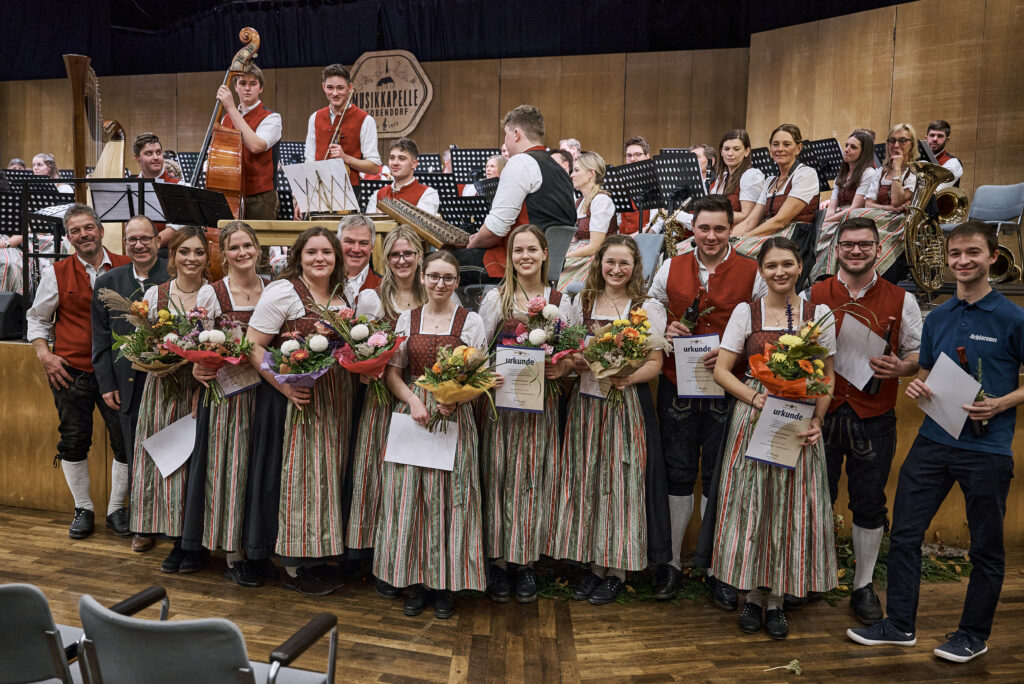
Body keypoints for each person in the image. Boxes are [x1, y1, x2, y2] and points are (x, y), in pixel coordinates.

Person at [848, 221, 1024, 663]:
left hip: (987, 449)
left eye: (973, 253)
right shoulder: (940, 316)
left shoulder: (1013, 317)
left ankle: (972, 634)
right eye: (956, 254)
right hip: (933, 440)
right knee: (905, 536)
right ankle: (900, 624)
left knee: (985, 547)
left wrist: (1001, 404)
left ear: (992, 257)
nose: (963, 261)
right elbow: (926, 371)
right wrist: (918, 387)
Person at [711, 237, 837, 640]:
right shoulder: (745, 312)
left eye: (787, 264)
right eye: (771, 266)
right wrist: (755, 398)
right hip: (755, 417)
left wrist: (818, 419)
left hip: (799, 423)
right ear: (761, 271)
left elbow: (828, 376)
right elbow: (723, 371)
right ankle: (749, 595)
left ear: (800, 266)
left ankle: (778, 599)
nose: (779, 272)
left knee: (789, 508)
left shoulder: (819, 314)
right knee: (751, 504)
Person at [646, 194, 765, 603]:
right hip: (678, 382)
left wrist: (738, 349)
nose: (711, 236)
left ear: (731, 229)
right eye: (704, 228)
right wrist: (667, 328)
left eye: (719, 228)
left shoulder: (753, 271)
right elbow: (651, 305)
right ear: (691, 230)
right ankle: (673, 565)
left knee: (718, 476)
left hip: (727, 386)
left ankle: (717, 566)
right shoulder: (670, 265)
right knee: (678, 472)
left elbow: (767, 321)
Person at [807, 217, 921, 625]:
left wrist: (901, 367)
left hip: (874, 417)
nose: (857, 251)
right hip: (819, 414)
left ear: (878, 249)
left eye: (865, 245)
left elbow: (916, 354)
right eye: (849, 244)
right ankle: (810, 578)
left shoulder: (901, 298)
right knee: (812, 498)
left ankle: (863, 585)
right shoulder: (814, 293)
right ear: (836, 248)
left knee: (869, 504)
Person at [549, 235, 667, 605]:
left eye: (624, 263)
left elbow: (655, 363)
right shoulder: (580, 301)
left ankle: (617, 569)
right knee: (587, 480)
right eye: (610, 262)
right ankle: (592, 565)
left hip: (625, 403)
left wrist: (626, 376)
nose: (616, 270)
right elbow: (566, 355)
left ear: (635, 268)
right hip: (585, 403)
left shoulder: (646, 306)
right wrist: (574, 362)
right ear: (599, 263)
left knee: (622, 483)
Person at [245, 226, 361, 596]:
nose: (320, 259)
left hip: (338, 398)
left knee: (328, 477)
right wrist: (284, 386)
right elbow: (254, 345)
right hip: (303, 400)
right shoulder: (283, 291)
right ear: (299, 256)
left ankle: (322, 554)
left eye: (327, 252)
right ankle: (295, 564)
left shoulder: (344, 294)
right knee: (303, 478)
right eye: (312, 252)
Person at [376, 250, 488, 619]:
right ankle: (415, 582)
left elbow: (481, 378)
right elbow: (394, 372)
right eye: (434, 276)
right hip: (414, 414)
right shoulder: (406, 319)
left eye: (449, 278)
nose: (441, 284)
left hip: (454, 416)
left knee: (450, 503)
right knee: (410, 501)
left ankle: (445, 585)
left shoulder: (470, 321)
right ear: (422, 278)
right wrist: (412, 400)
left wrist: (455, 400)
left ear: (457, 282)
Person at [478, 225, 574, 604]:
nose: (525, 256)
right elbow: (478, 352)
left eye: (532, 249)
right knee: (498, 477)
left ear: (545, 253)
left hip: (540, 407)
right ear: (510, 256)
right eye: (518, 250)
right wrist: (491, 372)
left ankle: (525, 563)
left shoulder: (559, 300)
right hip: (500, 407)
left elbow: (573, 353)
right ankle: (498, 562)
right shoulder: (494, 300)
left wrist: (560, 369)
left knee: (533, 479)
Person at [26, 204, 131, 539]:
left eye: (88, 228)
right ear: (69, 238)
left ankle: (117, 510)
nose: (83, 235)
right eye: (75, 231)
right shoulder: (55, 272)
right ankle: (83, 508)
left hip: (117, 373)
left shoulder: (127, 267)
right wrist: (46, 356)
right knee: (73, 440)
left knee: (125, 443)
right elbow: (37, 319)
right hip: (71, 371)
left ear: (100, 230)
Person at [181, 221, 270, 587]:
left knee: (259, 471)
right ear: (224, 254)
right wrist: (198, 367)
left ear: (258, 249)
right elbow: (194, 342)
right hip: (227, 397)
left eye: (247, 245)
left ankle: (258, 545)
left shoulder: (272, 288)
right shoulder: (211, 293)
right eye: (234, 248)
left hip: (266, 392)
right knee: (229, 471)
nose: (242, 253)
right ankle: (233, 552)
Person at [346, 225, 428, 598]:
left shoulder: (435, 290)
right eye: (394, 254)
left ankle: (409, 556)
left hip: (421, 400)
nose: (401, 261)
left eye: (408, 253)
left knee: (409, 485)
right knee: (378, 480)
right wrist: (367, 368)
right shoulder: (371, 298)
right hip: (381, 401)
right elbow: (361, 346)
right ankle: (378, 558)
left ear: (419, 257)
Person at [91, 214, 170, 552]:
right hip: (127, 384)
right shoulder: (108, 281)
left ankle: (173, 523)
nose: (139, 245)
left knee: (171, 451)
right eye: (132, 240)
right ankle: (142, 523)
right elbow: (100, 339)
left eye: (145, 238)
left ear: (157, 240)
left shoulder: (174, 272)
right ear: (125, 244)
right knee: (136, 453)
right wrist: (106, 384)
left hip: (169, 381)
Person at [129, 227, 206, 571]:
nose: (192, 258)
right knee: (156, 458)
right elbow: (140, 342)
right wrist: (152, 362)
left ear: (207, 258)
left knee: (188, 464)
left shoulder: (211, 295)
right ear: (172, 257)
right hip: (160, 388)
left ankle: (183, 537)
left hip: (196, 389)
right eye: (184, 252)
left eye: (199, 252)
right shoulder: (155, 293)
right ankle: (149, 524)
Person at [458, 105, 575, 283]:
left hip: (509, 265)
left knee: (431, 264)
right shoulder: (559, 169)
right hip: (541, 264)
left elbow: (495, 230)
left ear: (516, 134)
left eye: (506, 134)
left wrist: (472, 243)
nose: (505, 141)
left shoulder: (520, 162)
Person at [727, 125, 820, 265]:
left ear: (798, 148)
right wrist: (726, 238)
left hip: (794, 239)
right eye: (775, 144)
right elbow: (750, 221)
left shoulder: (805, 174)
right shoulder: (770, 181)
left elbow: (780, 221)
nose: (780, 149)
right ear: (770, 149)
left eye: (787, 144)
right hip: (771, 236)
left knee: (734, 251)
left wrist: (744, 237)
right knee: (722, 249)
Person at [217, 64, 281, 220]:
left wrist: (231, 107)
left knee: (258, 243)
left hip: (260, 197)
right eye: (242, 83)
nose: (247, 88)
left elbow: (256, 145)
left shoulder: (271, 118)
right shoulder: (225, 119)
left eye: (253, 84)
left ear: (261, 89)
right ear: (236, 88)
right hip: (231, 193)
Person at [303, 64, 382, 186]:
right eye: (330, 87)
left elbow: (374, 167)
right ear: (323, 87)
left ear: (350, 88)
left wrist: (346, 158)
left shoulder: (366, 120)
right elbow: (309, 160)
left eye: (340, 88)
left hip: (350, 190)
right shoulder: (314, 118)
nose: (335, 93)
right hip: (319, 188)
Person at [556, 151, 616, 291]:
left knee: (557, 285)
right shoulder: (580, 202)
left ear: (591, 173)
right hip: (580, 254)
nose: (571, 175)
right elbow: (573, 239)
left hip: (595, 258)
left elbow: (595, 247)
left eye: (576, 170)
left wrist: (565, 256)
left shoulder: (601, 200)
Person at [131, 133, 183, 245]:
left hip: (166, 251)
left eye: (158, 152)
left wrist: (150, 245)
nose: (156, 157)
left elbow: (175, 229)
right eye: (149, 153)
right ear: (137, 158)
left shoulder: (179, 186)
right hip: (137, 247)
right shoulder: (130, 187)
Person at [365, 138, 440, 215]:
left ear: (414, 164)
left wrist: (386, 216)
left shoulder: (428, 194)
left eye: (401, 158)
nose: (395, 163)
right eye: (392, 158)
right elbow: (370, 226)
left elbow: (421, 226)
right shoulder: (378, 194)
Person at [709, 129, 765, 226]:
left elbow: (747, 216)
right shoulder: (722, 177)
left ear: (747, 151)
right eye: (726, 149)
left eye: (736, 149)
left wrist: (711, 216)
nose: (730, 153)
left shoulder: (752, 175)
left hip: (739, 233)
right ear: (721, 152)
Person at [865, 123, 919, 214]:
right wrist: (887, 208)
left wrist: (897, 168)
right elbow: (868, 204)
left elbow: (896, 201)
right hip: (880, 216)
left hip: (902, 221)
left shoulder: (915, 173)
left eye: (902, 140)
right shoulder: (881, 172)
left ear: (912, 145)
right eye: (892, 140)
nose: (896, 145)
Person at [337, 214, 382, 304]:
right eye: (349, 242)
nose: (356, 249)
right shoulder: (323, 284)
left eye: (363, 243)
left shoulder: (384, 287)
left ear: (372, 247)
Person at [618, 136, 653, 235]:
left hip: (645, 240)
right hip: (622, 238)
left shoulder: (654, 183)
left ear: (647, 157)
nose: (632, 159)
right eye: (629, 155)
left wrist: (632, 238)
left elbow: (656, 224)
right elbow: (619, 220)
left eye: (637, 154)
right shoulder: (621, 183)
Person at [926, 119, 963, 190]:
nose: (935, 139)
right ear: (926, 138)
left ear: (947, 139)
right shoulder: (918, 159)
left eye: (940, 136)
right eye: (932, 135)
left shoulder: (953, 163)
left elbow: (938, 189)